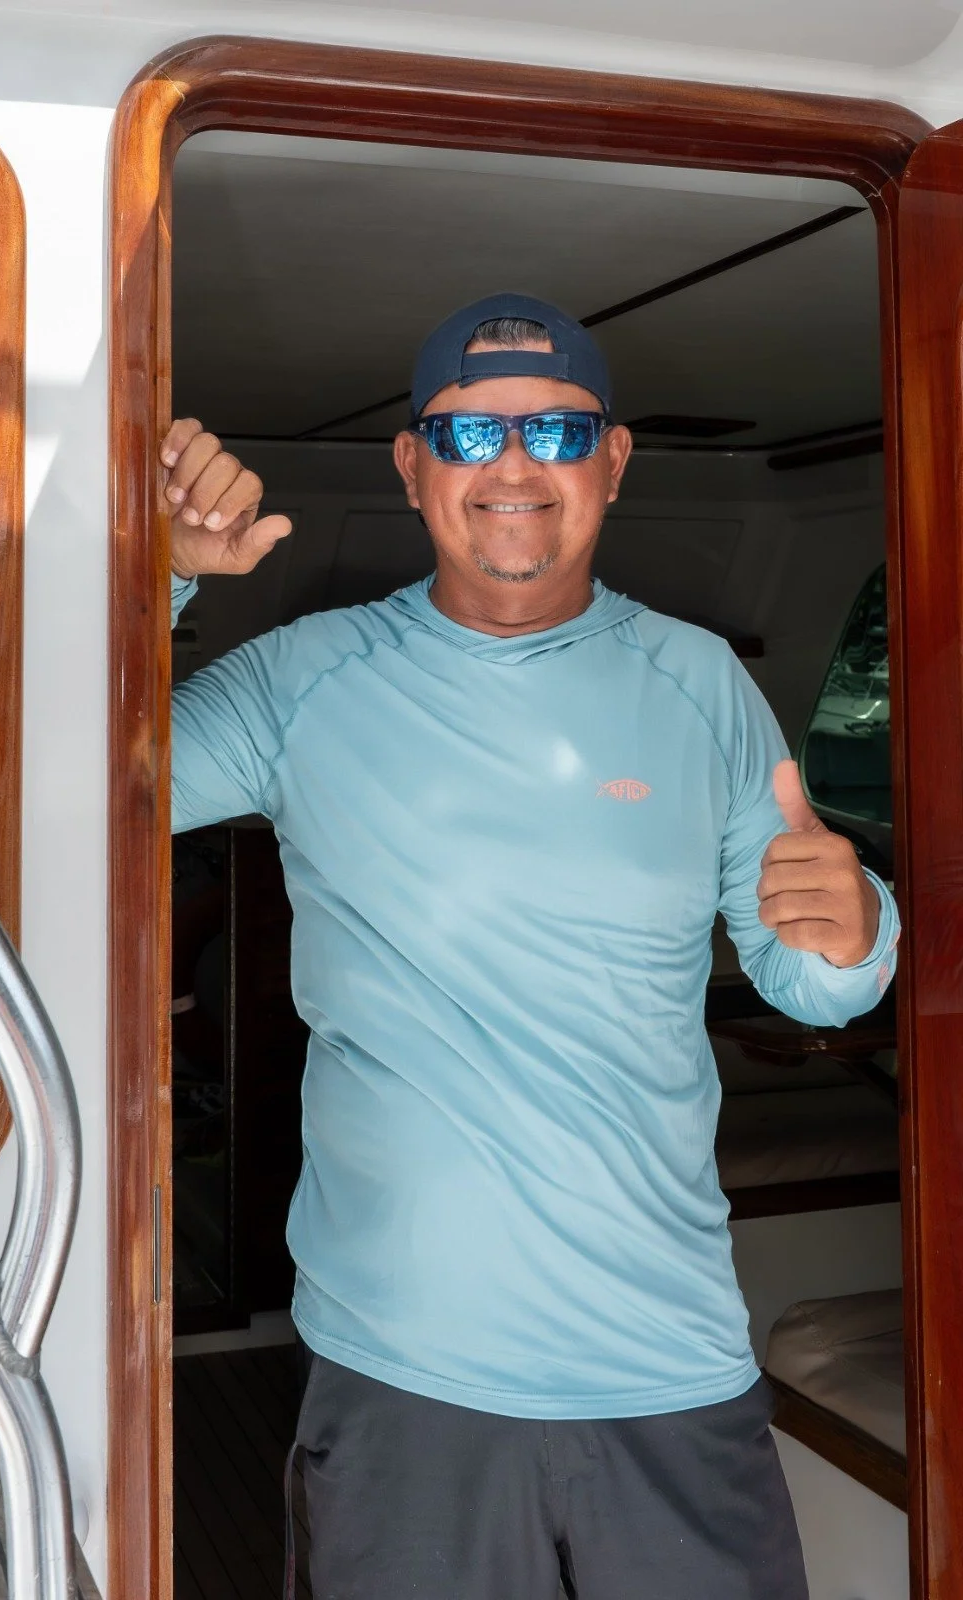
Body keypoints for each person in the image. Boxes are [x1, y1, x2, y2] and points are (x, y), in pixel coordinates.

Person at [162, 292, 899, 1600]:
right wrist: (149, 578)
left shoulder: (704, 685)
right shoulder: (301, 681)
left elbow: (809, 980)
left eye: (559, 433)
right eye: (468, 436)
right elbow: (74, 796)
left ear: (614, 462)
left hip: (673, 1364)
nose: (513, 466)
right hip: (405, 1376)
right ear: (412, 467)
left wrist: (858, 931)